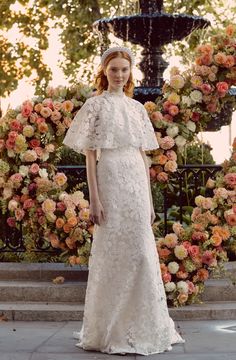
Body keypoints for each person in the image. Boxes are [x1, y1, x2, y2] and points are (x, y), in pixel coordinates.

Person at [63, 46, 184, 355]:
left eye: (124, 70)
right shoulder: (94, 106)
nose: (119, 74)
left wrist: (151, 202)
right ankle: (110, 330)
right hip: (110, 179)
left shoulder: (137, 108)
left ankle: (146, 326)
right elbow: (91, 157)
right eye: (114, 69)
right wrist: (94, 199)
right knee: (113, 254)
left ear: (131, 74)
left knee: (143, 254)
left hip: (135, 184)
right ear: (105, 71)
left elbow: (144, 158)